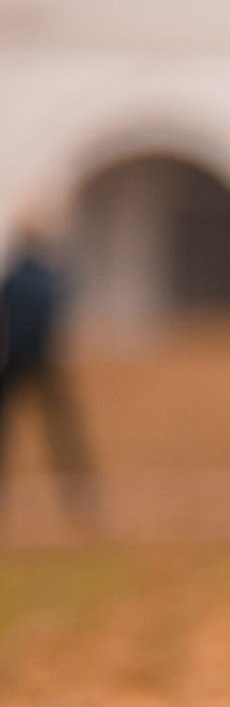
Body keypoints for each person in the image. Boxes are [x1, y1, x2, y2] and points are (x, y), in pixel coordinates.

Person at [0, 214, 97, 519]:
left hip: (15, 360)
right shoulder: (49, 279)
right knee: (62, 431)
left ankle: (79, 489)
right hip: (41, 360)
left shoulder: (16, 278)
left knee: (14, 429)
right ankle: (80, 490)